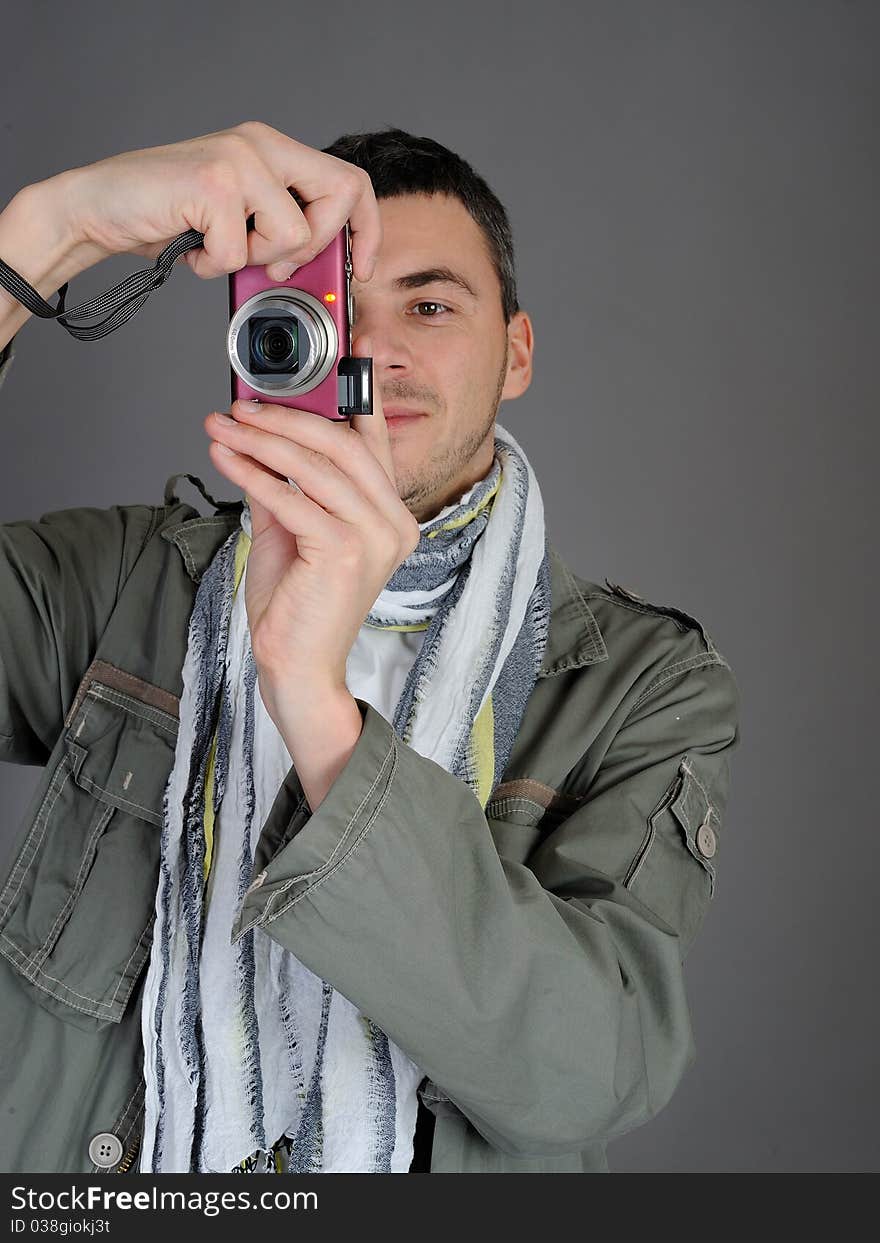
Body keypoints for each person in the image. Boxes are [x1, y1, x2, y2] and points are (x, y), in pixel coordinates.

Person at [0, 122, 741, 1174]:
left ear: (516, 352)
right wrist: (44, 233)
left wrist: (315, 705)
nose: (372, 350)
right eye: (333, 308)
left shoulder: (641, 686)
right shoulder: (131, 584)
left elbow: (587, 1073)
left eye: (429, 306)